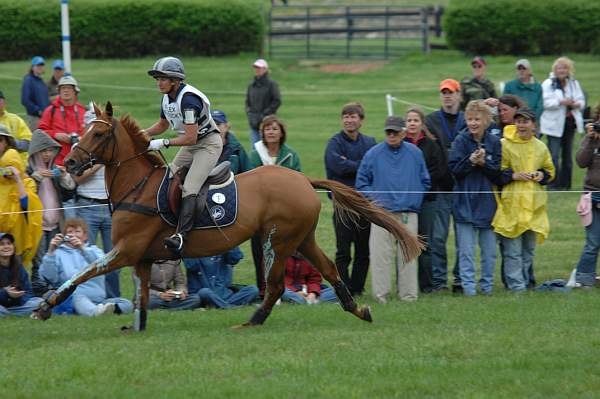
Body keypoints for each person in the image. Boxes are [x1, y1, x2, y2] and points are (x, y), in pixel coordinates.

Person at [143, 56, 223, 254]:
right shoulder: (166, 97)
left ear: (175, 81)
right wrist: (143, 133)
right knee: (168, 176)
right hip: (192, 143)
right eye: (157, 79)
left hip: (207, 145)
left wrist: (164, 142)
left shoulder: (188, 100)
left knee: (189, 187)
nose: (159, 83)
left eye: (163, 79)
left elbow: (190, 138)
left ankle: (181, 236)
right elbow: (162, 125)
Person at [356, 116, 431, 303]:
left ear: (403, 133)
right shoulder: (373, 153)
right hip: (382, 214)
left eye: (395, 132)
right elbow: (361, 183)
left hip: (408, 213)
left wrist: (414, 199)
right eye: (388, 132)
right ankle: (381, 295)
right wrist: (376, 200)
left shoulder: (415, 153)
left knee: (408, 256)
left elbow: (425, 180)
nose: (392, 135)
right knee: (381, 255)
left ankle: (408, 295)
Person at [492, 108, 554, 292]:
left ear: (533, 125)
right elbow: (496, 172)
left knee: (528, 251)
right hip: (512, 205)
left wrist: (541, 175)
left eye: (525, 121)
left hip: (534, 206)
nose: (521, 125)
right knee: (512, 252)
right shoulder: (504, 144)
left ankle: (525, 283)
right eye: (518, 121)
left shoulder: (540, 147)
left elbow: (550, 171)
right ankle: (516, 287)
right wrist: (513, 175)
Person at [449, 100, 501, 296]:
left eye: (477, 119)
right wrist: (470, 161)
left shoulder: (495, 142)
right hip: (464, 203)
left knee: (489, 252)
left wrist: (484, 162)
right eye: (470, 119)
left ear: (486, 120)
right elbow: (454, 169)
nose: (473, 123)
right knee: (466, 251)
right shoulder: (460, 141)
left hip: (488, 203)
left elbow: (497, 172)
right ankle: (469, 289)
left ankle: (487, 288)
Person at [324, 102, 376, 296]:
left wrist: (350, 164)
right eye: (345, 116)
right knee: (343, 251)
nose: (349, 120)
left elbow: (373, 167)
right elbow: (337, 166)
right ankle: (343, 288)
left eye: (353, 116)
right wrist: (361, 165)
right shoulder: (334, 143)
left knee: (363, 251)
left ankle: (358, 288)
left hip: (364, 205)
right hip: (342, 205)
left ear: (361, 120)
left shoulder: (370, 142)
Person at [248, 115, 301, 296]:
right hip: (259, 216)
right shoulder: (255, 155)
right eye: (267, 129)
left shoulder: (291, 155)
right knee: (259, 253)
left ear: (281, 133)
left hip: (284, 215)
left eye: (274, 128)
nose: (271, 132)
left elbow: (299, 184)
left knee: (281, 253)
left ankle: (283, 290)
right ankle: (262, 291)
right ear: (262, 133)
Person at [39, 218, 133, 317]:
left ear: (85, 236)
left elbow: (103, 267)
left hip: (99, 299)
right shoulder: (58, 254)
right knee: (76, 296)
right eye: (70, 232)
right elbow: (49, 277)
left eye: (77, 231)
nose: (73, 235)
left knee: (126, 303)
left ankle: (101, 310)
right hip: (72, 298)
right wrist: (51, 251)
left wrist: (82, 249)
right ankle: (95, 312)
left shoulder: (95, 251)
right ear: (64, 236)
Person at [424, 79, 465, 292]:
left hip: (463, 188)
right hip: (440, 188)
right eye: (444, 93)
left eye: (451, 92)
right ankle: (439, 281)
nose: (447, 96)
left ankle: (460, 280)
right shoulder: (431, 121)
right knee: (438, 238)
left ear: (459, 95)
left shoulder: (468, 119)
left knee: (462, 238)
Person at [403, 108, 450, 293]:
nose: (412, 123)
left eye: (415, 120)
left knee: (425, 243)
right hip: (405, 202)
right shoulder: (401, 143)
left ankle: (427, 285)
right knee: (407, 243)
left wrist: (417, 183)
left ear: (422, 123)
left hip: (427, 200)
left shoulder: (431, 145)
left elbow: (438, 171)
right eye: (409, 120)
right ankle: (407, 284)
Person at [27, 129, 76, 297]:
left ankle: (52, 292)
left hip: (55, 224)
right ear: (35, 152)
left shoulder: (55, 171)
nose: (47, 154)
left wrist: (64, 177)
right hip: (37, 224)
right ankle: (38, 292)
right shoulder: (29, 171)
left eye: (50, 151)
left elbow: (69, 194)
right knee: (39, 259)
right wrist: (35, 178)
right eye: (43, 151)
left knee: (54, 257)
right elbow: (25, 196)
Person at [540, 56, 585, 190]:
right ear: (555, 69)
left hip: (569, 123)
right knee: (553, 155)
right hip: (553, 124)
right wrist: (561, 102)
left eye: (565, 67)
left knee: (567, 156)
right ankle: (553, 184)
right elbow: (546, 103)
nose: (562, 70)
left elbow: (581, 100)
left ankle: (566, 185)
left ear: (569, 69)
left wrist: (576, 104)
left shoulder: (573, 83)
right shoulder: (548, 83)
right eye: (559, 68)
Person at [73, 164, 118, 297]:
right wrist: (99, 163)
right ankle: (87, 297)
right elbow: (78, 178)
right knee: (86, 255)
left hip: (111, 206)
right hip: (88, 205)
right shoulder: (83, 148)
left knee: (114, 257)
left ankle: (113, 299)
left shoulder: (115, 150)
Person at [0, 127, 43, 267]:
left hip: (15, 243)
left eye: (0, 140)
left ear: (7, 142)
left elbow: (26, 205)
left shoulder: (26, 181)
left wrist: (17, 179)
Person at [184, 247, 259, 309]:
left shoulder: (223, 248)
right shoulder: (196, 250)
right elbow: (191, 266)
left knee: (253, 289)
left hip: (225, 294)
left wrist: (228, 240)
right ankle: (230, 307)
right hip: (205, 295)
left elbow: (236, 257)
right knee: (204, 292)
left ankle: (223, 305)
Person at [573, 118, 600, 288]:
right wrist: (590, 139)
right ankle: (584, 280)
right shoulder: (593, 139)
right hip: (592, 197)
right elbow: (581, 162)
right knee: (593, 242)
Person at [38, 75, 86, 167]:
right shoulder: (50, 110)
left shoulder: (83, 110)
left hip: (81, 162)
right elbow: (40, 132)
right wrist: (56, 135)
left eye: (69, 88)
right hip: (57, 163)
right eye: (63, 88)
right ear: (59, 91)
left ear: (75, 92)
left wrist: (81, 138)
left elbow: (92, 133)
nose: (66, 90)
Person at [0, 232, 44, 317]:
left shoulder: (18, 266)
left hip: (16, 305)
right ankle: (7, 314)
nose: (6, 247)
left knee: (40, 302)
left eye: (9, 243)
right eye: (2, 244)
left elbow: (29, 292)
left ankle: (7, 315)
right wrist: (5, 293)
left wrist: (18, 296)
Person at [245, 58, 281, 145]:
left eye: (259, 68)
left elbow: (276, 101)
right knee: (255, 149)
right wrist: (250, 114)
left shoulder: (272, 84)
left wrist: (265, 114)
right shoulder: (251, 85)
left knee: (268, 147)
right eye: (256, 67)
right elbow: (248, 102)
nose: (257, 70)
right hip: (254, 123)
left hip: (268, 123)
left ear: (265, 69)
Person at [211, 109, 250, 174]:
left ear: (226, 127)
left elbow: (248, 172)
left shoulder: (237, 149)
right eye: (211, 124)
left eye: (217, 124)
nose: (214, 127)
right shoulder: (200, 147)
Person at [0, 90, 32, 165]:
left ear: (4, 102)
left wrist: (8, 143)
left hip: (17, 164)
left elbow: (28, 143)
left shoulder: (15, 120)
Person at [21, 56, 50, 131]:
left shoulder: (41, 82)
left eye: (42, 65)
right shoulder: (28, 80)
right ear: (33, 67)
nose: (40, 67)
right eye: (38, 65)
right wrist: (38, 111)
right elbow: (25, 100)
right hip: (34, 118)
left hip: (44, 118)